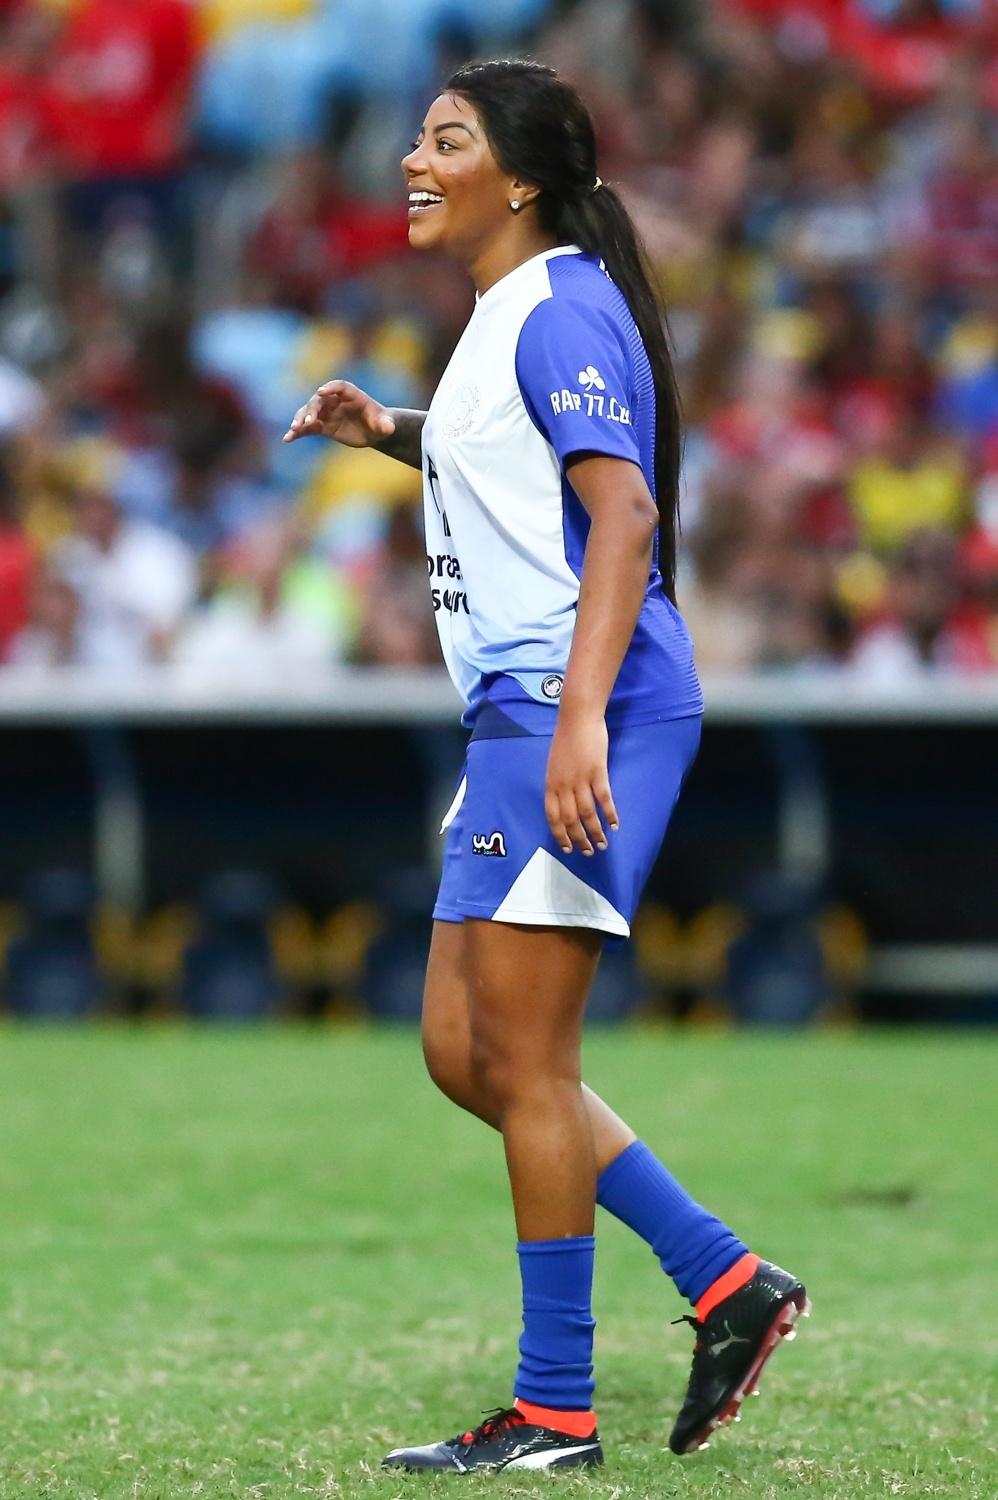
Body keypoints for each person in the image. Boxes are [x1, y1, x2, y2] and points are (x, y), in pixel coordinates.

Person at [285, 58, 809, 1474]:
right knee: (465, 1052)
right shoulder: (510, 311)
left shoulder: (558, 303)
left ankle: (555, 1410)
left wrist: (578, 720)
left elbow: (623, 516)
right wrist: (387, 432)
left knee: (523, 1060)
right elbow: (521, 485)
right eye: (415, 133)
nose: (411, 156)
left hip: (577, 708)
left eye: (443, 139)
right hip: (525, 710)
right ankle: (720, 1278)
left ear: (516, 178)